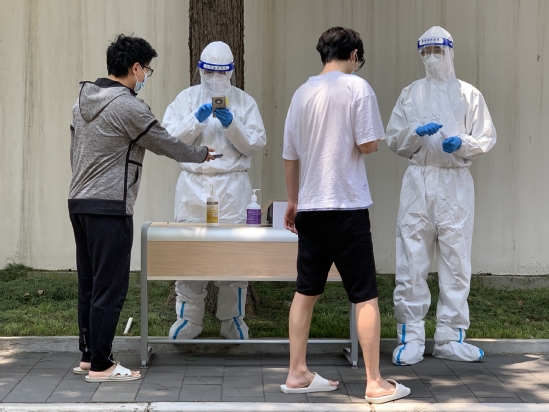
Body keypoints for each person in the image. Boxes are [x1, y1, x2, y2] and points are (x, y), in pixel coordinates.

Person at [68, 34, 215, 382]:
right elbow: (163, 142)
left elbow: (75, 151)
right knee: (110, 286)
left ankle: (88, 356)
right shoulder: (129, 106)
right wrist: (200, 153)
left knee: (89, 283)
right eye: (146, 69)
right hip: (110, 208)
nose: (146, 75)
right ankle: (102, 365)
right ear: (135, 68)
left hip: (79, 201)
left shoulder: (81, 101)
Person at [280, 27, 410, 404]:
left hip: (310, 207)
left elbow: (290, 155)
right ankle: (374, 382)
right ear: (353, 54)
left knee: (305, 292)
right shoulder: (357, 88)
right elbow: (368, 144)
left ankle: (297, 372)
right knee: (364, 294)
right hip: (346, 207)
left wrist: (292, 201)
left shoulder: (301, 93)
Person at [385, 26, 497, 366]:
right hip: (418, 180)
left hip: (454, 182)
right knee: (411, 260)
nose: (431, 57)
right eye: (426, 52)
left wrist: (462, 143)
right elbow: (394, 138)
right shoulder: (411, 93)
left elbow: (486, 136)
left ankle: (450, 337)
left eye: (437, 50)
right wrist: (414, 134)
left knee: (456, 261)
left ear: (449, 52)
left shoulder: (469, 95)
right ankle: (411, 337)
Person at [162, 41, 266, 341]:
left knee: (234, 254)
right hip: (193, 187)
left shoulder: (244, 102)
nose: (215, 78)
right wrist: (195, 119)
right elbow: (169, 139)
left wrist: (233, 125)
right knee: (188, 252)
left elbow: (255, 143)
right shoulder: (186, 99)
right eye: (210, 72)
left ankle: (232, 319)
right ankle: (188, 318)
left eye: (221, 73)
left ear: (231, 72)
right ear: (200, 70)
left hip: (232, 187)